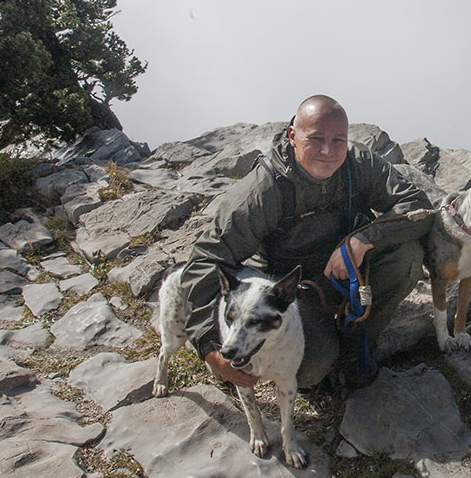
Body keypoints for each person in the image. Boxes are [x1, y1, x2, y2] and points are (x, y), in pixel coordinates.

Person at [178, 95, 432, 389]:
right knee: (312, 369)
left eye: (338, 140)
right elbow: (207, 259)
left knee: (408, 256)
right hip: (291, 292)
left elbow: (417, 207)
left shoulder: (357, 163)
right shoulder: (264, 190)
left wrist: (362, 240)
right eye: (315, 139)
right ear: (293, 136)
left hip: (346, 269)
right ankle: (317, 350)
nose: (328, 150)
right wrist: (210, 349)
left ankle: (357, 348)